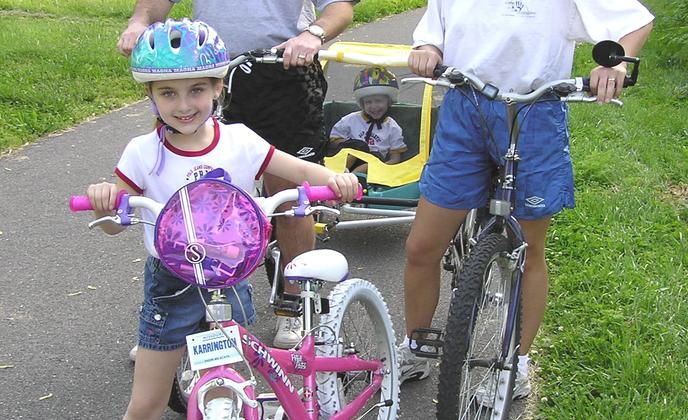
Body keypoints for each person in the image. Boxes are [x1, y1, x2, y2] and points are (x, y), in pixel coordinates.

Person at [90, 20, 358, 419]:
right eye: (168, 93)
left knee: (228, 389)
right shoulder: (142, 153)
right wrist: (105, 205)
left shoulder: (239, 141)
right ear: (150, 95)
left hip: (229, 276)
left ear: (218, 87)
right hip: (172, 283)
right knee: (146, 403)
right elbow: (115, 224)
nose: (183, 105)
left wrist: (334, 179)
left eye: (197, 90)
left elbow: (298, 169)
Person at [399, 0, 655, 403]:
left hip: (536, 110)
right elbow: (433, 35)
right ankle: (415, 348)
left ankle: (515, 364)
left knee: (528, 251)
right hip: (465, 106)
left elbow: (636, 21)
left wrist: (616, 65)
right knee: (422, 246)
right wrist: (428, 50)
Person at [328, 66, 407, 173]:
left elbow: (395, 158)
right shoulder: (351, 120)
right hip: (351, 156)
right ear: (362, 104)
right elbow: (334, 140)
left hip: (375, 163)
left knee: (371, 160)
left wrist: (383, 166)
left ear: (388, 101)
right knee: (357, 147)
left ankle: (352, 176)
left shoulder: (392, 127)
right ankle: (340, 171)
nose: (373, 106)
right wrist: (353, 145)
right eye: (368, 102)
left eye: (378, 101)